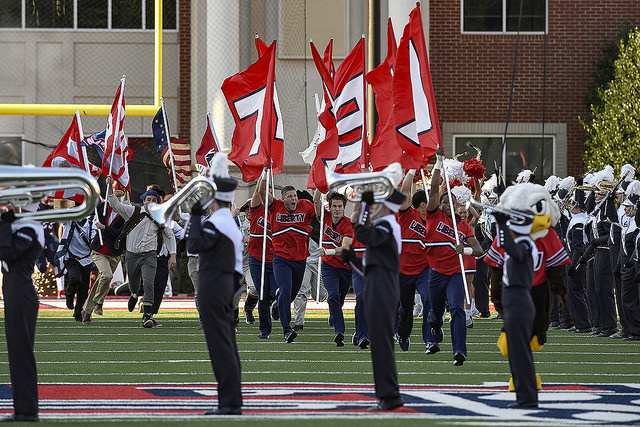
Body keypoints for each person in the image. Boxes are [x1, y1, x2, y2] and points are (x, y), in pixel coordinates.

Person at [186, 153, 243, 415]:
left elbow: (194, 245)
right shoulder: (229, 224)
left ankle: (229, 402)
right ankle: (231, 399)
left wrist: (195, 215)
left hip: (214, 286)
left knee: (220, 347)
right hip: (225, 286)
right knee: (227, 344)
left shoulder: (216, 222)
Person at [343, 187, 406, 411]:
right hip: (378, 285)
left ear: (386, 207)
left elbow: (361, 233)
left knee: (381, 343)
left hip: (382, 289)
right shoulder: (385, 227)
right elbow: (370, 266)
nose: (373, 208)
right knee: (379, 343)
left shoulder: (387, 224)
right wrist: (351, 259)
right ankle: (387, 394)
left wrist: (363, 209)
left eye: (376, 204)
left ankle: (389, 395)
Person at [425, 147, 483, 365]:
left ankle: (460, 350)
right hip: (436, 272)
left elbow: (478, 249)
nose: (447, 206)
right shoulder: (433, 217)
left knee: (457, 308)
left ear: (457, 204)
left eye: (451, 203)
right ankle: (435, 327)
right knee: (435, 312)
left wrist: (464, 250)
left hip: (455, 273)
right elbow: (433, 190)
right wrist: (438, 162)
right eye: (443, 203)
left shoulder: (464, 226)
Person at [106, 177, 176, 327]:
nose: (150, 201)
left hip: (150, 255)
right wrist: (110, 189)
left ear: (157, 202)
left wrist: (173, 255)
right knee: (134, 282)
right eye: (148, 199)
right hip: (131, 254)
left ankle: (147, 316)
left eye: (154, 199)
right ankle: (133, 294)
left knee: (149, 282)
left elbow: (169, 235)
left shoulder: (161, 217)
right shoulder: (132, 211)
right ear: (143, 201)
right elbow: (115, 204)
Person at [259, 174, 316, 343]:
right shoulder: (275, 206)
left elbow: (319, 210)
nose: (294, 199)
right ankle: (287, 329)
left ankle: (278, 304)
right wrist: (264, 173)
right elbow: (262, 191)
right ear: (282, 199)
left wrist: (321, 187)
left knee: (290, 294)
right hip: (281, 258)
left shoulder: (306, 206)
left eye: (295, 196)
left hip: (300, 259)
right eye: (290, 197)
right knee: (285, 289)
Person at [492, 209, 539, 408]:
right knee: (516, 353)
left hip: (519, 301)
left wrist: (502, 224)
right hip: (515, 301)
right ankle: (524, 396)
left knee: (520, 354)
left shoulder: (525, 244)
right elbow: (506, 245)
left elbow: (512, 250)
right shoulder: (521, 242)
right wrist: (500, 224)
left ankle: (527, 397)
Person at [0, 207, 43, 422]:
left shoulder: (31, 227)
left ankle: (27, 411)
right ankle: (23, 409)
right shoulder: (21, 226)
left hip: (21, 293)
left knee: (21, 353)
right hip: (14, 292)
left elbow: (7, 252)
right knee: (17, 354)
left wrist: (4, 224)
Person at [395, 170, 433, 352]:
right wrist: (411, 169)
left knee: (429, 300)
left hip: (424, 270)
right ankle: (402, 333)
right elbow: (405, 190)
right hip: (402, 270)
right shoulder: (407, 214)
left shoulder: (434, 221)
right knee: (405, 307)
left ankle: (430, 339)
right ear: (422, 205)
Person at [314, 190, 353, 346]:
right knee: (333, 295)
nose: (337, 209)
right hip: (329, 266)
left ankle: (334, 314)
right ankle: (339, 331)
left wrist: (328, 250)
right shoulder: (324, 218)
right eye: (334, 206)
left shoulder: (348, 225)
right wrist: (319, 185)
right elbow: (316, 201)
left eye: (340, 206)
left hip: (345, 267)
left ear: (344, 208)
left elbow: (345, 248)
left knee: (339, 299)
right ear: (329, 207)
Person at [82, 192, 125, 324]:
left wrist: (104, 228)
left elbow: (119, 233)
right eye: (113, 198)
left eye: (118, 199)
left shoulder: (125, 214)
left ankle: (86, 311)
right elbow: (93, 203)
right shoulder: (103, 208)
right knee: (106, 275)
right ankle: (98, 303)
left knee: (101, 280)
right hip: (99, 250)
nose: (115, 201)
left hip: (114, 253)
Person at [247, 177, 277, 339]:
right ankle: (264, 330)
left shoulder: (277, 210)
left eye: (270, 194)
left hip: (275, 259)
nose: (267, 195)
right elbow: (258, 192)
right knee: (262, 295)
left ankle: (276, 306)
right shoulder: (256, 208)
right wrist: (263, 174)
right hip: (257, 258)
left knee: (275, 292)